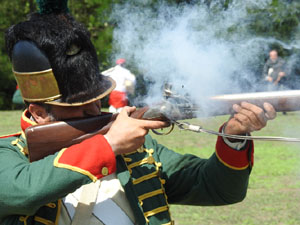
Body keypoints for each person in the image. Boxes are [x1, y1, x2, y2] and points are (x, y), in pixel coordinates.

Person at [0, 1, 276, 224]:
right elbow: (23, 192)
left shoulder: (136, 148)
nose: (95, 111)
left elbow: (217, 188)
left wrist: (233, 137)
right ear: (38, 113)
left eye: (96, 102)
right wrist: (108, 144)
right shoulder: (10, 154)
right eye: (78, 108)